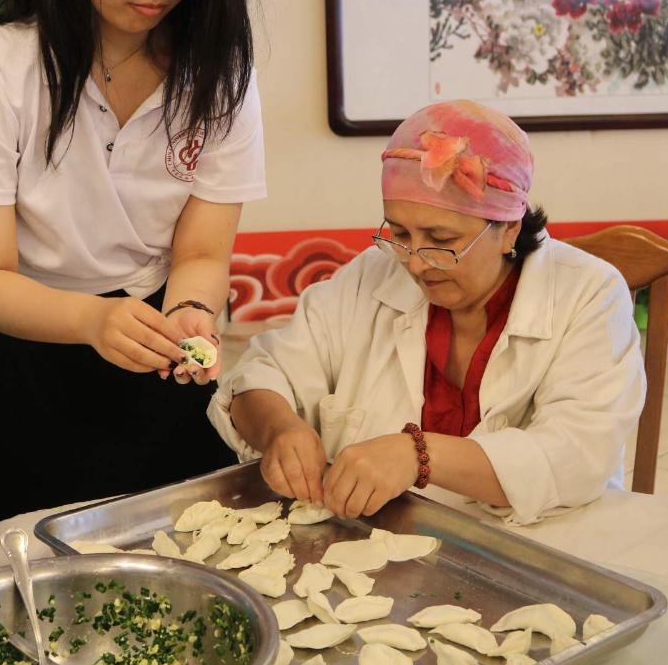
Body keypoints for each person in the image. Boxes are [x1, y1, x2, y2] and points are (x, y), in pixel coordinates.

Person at [0, 0, 265, 526]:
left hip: (160, 349)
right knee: (37, 561)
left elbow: (201, 251)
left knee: (184, 546)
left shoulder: (219, 75)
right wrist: (92, 319)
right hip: (31, 352)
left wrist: (190, 311)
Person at [208, 101, 645, 524]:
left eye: (441, 239)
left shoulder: (588, 293)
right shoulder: (370, 277)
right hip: (390, 540)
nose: (415, 263)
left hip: (546, 542)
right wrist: (280, 429)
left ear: (509, 227)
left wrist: (417, 455)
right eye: (400, 233)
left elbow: (577, 455)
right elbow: (261, 377)